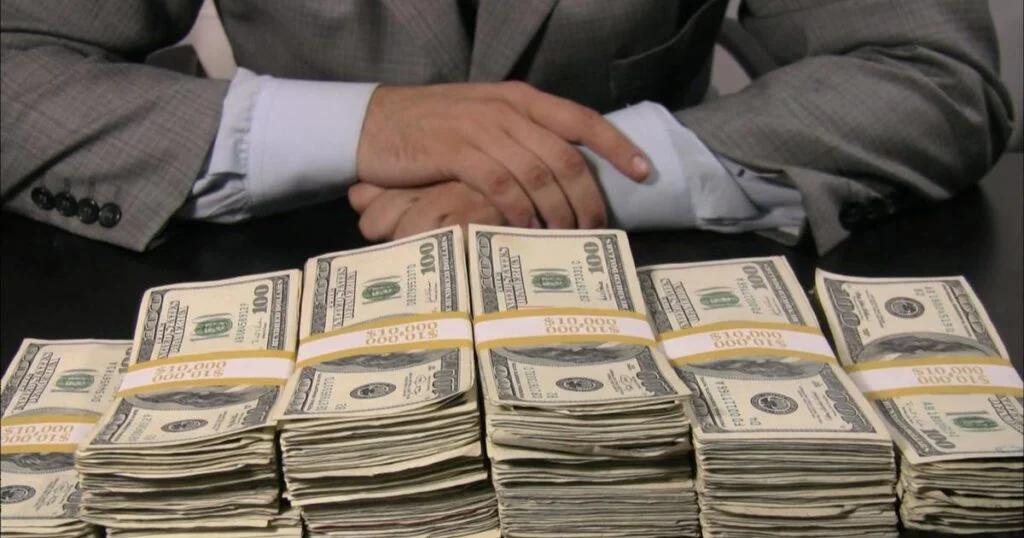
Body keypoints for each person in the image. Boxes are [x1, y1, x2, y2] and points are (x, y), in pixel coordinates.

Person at [0, 0, 1013, 256]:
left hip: (647, 271)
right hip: (297, 265)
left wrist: (583, 171)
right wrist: (363, 125)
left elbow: (927, 73)